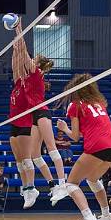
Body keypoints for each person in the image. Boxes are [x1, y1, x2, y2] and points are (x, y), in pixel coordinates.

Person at [55, 73, 111, 220]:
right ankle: (106, 215)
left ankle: (88, 218)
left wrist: (64, 129)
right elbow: (93, 127)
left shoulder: (74, 105)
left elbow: (75, 137)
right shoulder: (99, 103)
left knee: (71, 184)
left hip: (97, 146)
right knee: (92, 179)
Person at [12, 20, 68, 203]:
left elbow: (24, 54)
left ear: (38, 65)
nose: (31, 61)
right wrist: (16, 45)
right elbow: (20, 56)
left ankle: (62, 184)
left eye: (34, 60)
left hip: (42, 113)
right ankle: (52, 185)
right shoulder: (26, 77)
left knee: (52, 148)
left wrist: (19, 29)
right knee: (35, 155)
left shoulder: (36, 73)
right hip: (31, 116)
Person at [8, 31, 39, 209]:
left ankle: (31, 188)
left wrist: (20, 32)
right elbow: (16, 64)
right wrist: (14, 48)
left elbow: (25, 56)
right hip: (14, 123)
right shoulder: (18, 82)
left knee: (27, 160)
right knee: (19, 161)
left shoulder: (33, 81)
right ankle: (26, 187)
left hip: (26, 122)